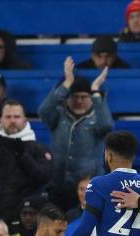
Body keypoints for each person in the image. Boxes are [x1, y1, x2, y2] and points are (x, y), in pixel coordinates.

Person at [38, 57, 114, 211]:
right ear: (67, 99)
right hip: (58, 186)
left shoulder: (97, 118)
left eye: (84, 97)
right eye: (75, 97)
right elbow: (43, 111)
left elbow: (107, 125)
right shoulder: (58, 116)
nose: (79, 101)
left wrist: (95, 91)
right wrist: (66, 84)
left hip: (88, 189)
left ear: (91, 99)